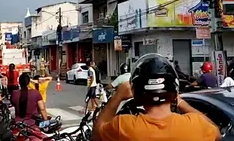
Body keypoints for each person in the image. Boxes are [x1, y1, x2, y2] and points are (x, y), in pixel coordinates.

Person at [91, 53, 221, 141]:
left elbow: (97, 135)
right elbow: (216, 133)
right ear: (174, 90)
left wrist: (118, 96)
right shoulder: (195, 124)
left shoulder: (123, 126)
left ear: (136, 91)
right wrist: (181, 102)